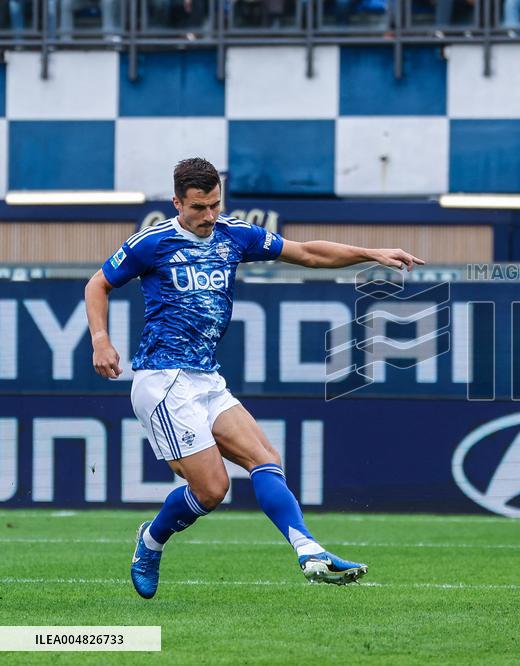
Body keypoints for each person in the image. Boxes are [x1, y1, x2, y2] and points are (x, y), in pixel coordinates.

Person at [85, 158, 425, 599]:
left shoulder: (234, 234)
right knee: (212, 489)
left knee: (265, 458)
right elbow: (98, 283)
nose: (208, 216)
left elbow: (306, 253)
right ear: (176, 202)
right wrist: (100, 339)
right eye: (198, 208)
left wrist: (370, 253)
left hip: (206, 378)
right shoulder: (152, 243)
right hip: (162, 378)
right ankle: (150, 541)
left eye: (213, 205)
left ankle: (308, 550)